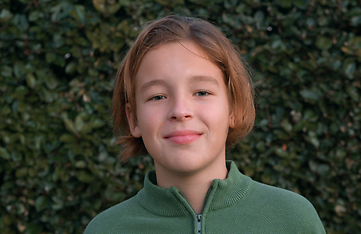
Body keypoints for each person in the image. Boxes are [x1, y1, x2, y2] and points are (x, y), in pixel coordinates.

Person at [84, 15, 325, 234]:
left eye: (201, 92)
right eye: (157, 96)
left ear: (233, 108)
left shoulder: (293, 219)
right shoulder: (106, 229)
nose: (180, 111)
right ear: (133, 119)